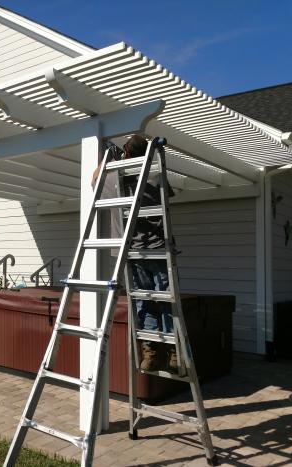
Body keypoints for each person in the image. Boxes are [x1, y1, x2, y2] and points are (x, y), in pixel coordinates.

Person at [98, 135, 176, 372]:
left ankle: (150, 353)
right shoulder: (155, 175)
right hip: (158, 250)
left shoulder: (112, 179)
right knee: (166, 302)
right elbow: (167, 197)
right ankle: (174, 354)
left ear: (126, 155)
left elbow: (94, 178)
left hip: (132, 252)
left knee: (143, 301)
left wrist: (107, 157)